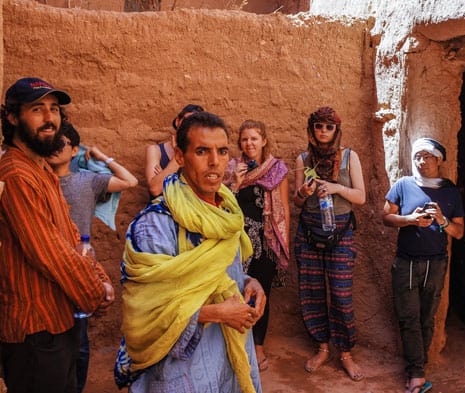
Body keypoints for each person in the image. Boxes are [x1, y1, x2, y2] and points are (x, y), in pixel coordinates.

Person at [115, 111, 265, 392]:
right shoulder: (156, 223)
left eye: (222, 151)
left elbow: (222, 271)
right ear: (180, 158)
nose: (214, 162)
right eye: (201, 151)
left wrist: (248, 283)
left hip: (229, 355)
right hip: (183, 371)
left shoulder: (227, 212)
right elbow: (144, 314)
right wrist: (216, 313)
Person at [0, 77, 114, 393]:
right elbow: (50, 254)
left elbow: (72, 235)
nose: (50, 118)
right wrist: (96, 294)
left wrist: (100, 279)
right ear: (12, 116)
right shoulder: (16, 174)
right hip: (35, 333)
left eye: (54, 109)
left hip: (59, 323)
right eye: (37, 109)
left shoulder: (42, 171)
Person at [46, 121, 137, 393]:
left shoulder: (88, 181)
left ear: (74, 150)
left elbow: (129, 181)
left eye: (61, 144)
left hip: (79, 264)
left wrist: (100, 156)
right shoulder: (37, 180)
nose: (53, 148)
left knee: (79, 339)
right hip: (44, 264)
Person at [382, 137, 465, 393]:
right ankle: (416, 373)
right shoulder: (404, 185)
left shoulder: (450, 190)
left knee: (427, 317)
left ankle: (419, 367)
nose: (421, 161)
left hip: (436, 263)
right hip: (406, 261)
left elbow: (460, 232)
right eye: (417, 156)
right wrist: (409, 219)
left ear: (439, 160)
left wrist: (441, 220)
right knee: (408, 317)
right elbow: (386, 217)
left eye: (427, 156)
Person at [293, 106, 366, 381]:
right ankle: (322, 347)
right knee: (311, 291)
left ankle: (345, 353)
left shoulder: (349, 157)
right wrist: (303, 191)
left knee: (341, 294)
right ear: (311, 130)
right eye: (318, 126)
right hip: (309, 232)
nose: (323, 131)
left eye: (328, 127)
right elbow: (298, 201)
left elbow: (361, 197)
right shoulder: (303, 158)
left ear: (336, 129)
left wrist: (336, 188)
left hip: (341, 232)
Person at [223, 119, 290, 372]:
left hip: (265, 243)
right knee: (235, 292)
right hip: (236, 243)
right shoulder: (231, 168)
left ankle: (258, 347)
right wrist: (236, 184)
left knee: (262, 296)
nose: (249, 143)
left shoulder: (277, 170)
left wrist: (283, 243)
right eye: (244, 139)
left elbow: (283, 209)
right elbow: (222, 204)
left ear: (264, 141)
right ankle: (237, 347)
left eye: (254, 138)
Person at [145, 103, 204, 197]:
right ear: (177, 121)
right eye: (186, 121)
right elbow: (155, 189)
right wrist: (178, 155)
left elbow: (198, 191)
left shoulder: (200, 154)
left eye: (194, 124)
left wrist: (164, 177)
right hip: (161, 210)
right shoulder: (155, 150)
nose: (188, 126)